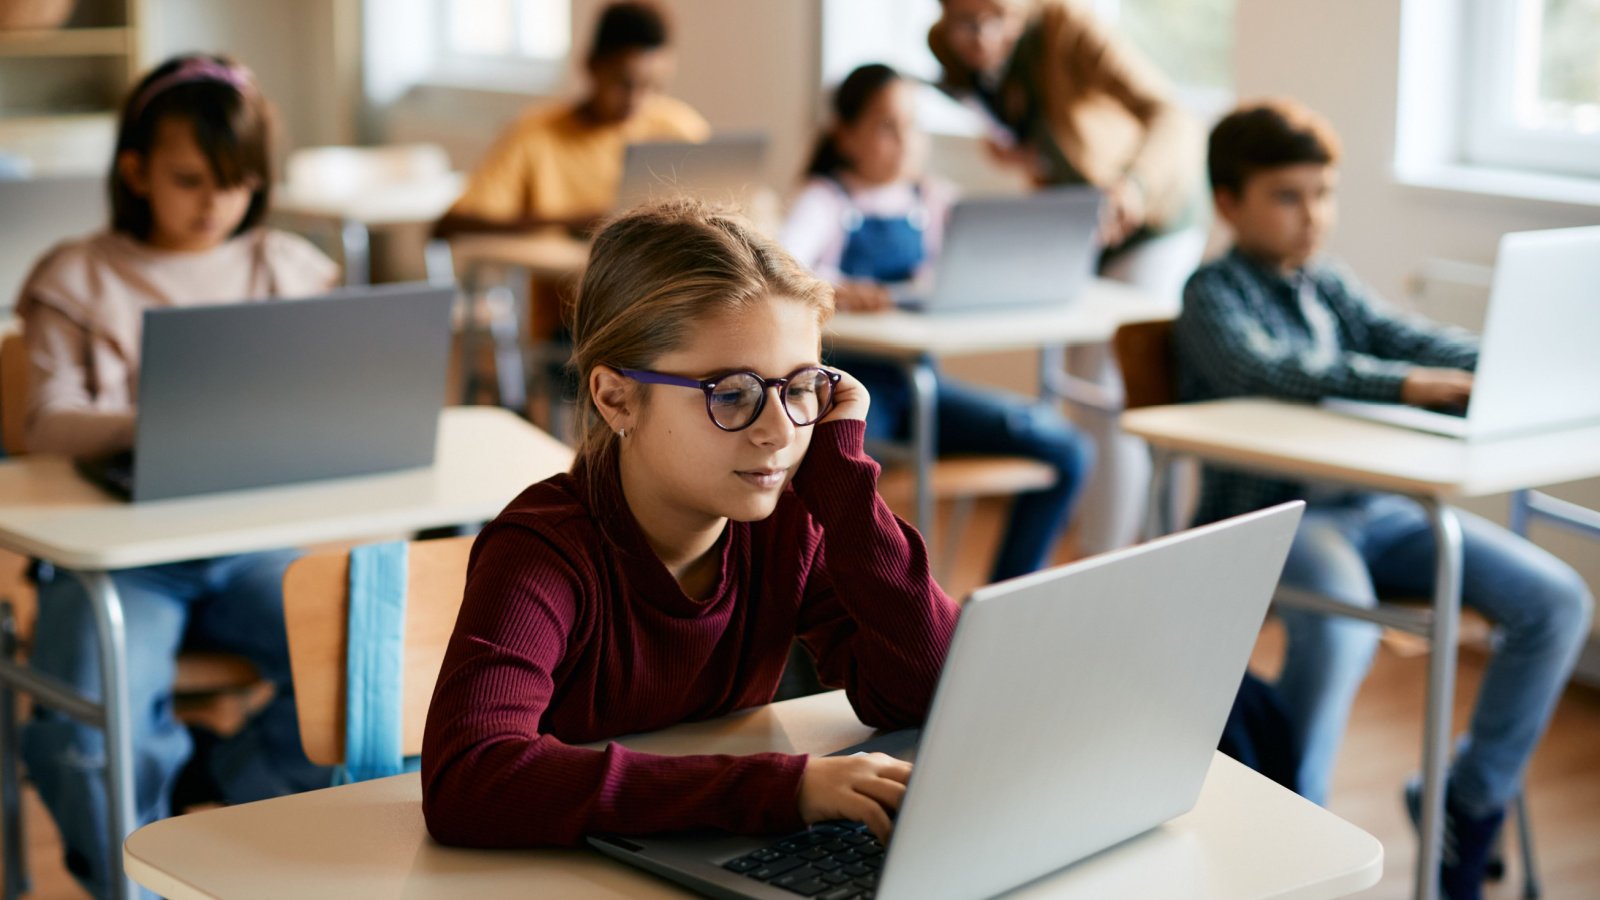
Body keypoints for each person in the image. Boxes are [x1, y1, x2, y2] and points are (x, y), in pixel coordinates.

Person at [421, 200, 960, 848]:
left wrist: (844, 483)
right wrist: (782, 789)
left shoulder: (789, 527)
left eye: (801, 388)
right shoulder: (544, 552)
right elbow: (470, 779)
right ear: (615, 395)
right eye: (731, 393)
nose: (778, 431)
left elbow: (927, 691)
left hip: (702, 849)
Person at [1174, 98, 1592, 900]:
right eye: (1288, 196)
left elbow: (1410, 337)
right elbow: (1269, 368)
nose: (1313, 216)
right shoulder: (1212, 293)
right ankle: (1298, 826)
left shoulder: (1324, 283)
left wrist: (1506, 357)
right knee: (1340, 623)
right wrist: (1405, 384)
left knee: (1556, 603)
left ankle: (1467, 800)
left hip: (1373, 509)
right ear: (1229, 202)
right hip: (1276, 517)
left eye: (1323, 194)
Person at [15, 54, 338, 897]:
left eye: (235, 184)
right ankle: (136, 882)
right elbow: (44, 422)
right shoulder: (73, 278)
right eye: (190, 180)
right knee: (91, 730)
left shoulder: (288, 267)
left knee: (377, 677)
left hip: (251, 546)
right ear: (135, 170)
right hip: (115, 560)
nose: (214, 205)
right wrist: (168, 418)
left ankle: (225, 791)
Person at [781, 62, 1092, 582]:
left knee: (1067, 449)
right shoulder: (826, 200)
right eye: (886, 125)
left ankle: (1003, 603)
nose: (904, 140)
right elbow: (783, 271)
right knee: (831, 475)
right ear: (845, 133)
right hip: (846, 396)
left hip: (919, 393)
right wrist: (834, 289)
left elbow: (978, 267)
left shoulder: (935, 199)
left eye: (913, 125)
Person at [928, 0, 1208, 554]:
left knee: (1111, 383)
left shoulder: (1067, 28)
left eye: (995, 18)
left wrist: (1135, 185)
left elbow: (1172, 115)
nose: (981, 37)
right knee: (1079, 391)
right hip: (1077, 229)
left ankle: (1107, 563)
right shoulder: (947, 53)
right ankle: (1086, 554)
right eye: (964, 22)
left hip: (1151, 222)